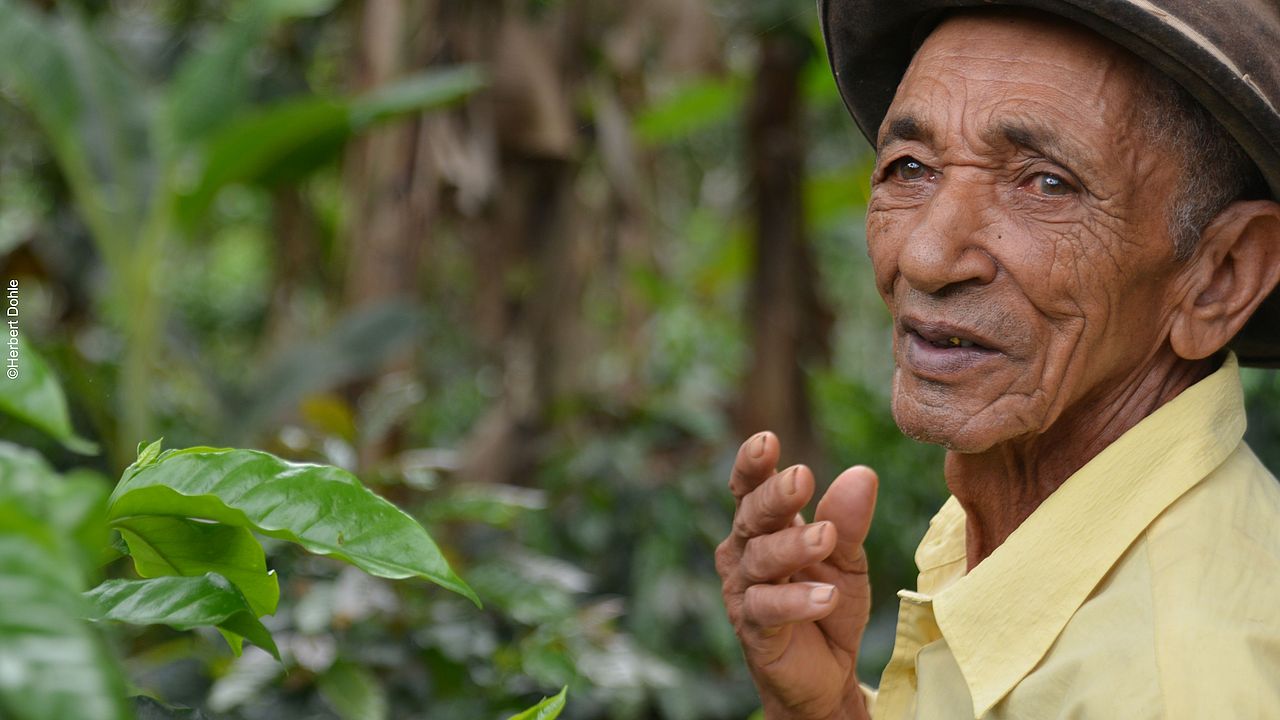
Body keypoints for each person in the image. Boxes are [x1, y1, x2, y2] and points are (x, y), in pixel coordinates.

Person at [714, 1, 1280, 717]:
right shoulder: (1015, 526)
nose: (925, 256)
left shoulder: (1180, 684)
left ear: (1220, 277)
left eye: (1046, 184)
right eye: (910, 167)